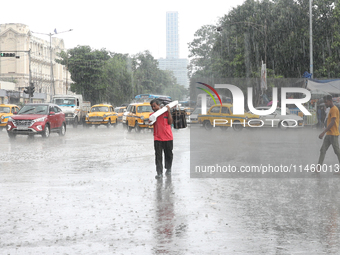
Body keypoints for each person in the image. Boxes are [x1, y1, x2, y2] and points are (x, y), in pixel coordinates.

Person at [149, 99, 173, 179]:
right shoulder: (152, 115)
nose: (153, 108)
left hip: (168, 137)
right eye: (152, 106)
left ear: (158, 105)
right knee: (158, 156)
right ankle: (159, 173)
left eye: (154, 106)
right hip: (158, 138)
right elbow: (150, 123)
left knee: (169, 155)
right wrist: (152, 119)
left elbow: (170, 122)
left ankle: (168, 169)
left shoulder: (165, 112)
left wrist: (169, 112)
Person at [317, 95, 340, 171]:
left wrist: (323, 132)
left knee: (337, 152)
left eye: (326, 102)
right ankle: (318, 168)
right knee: (322, 150)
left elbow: (332, 122)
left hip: (333, 134)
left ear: (330, 101)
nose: (325, 104)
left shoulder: (334, 109)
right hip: (329, 134)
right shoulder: (331, 109)